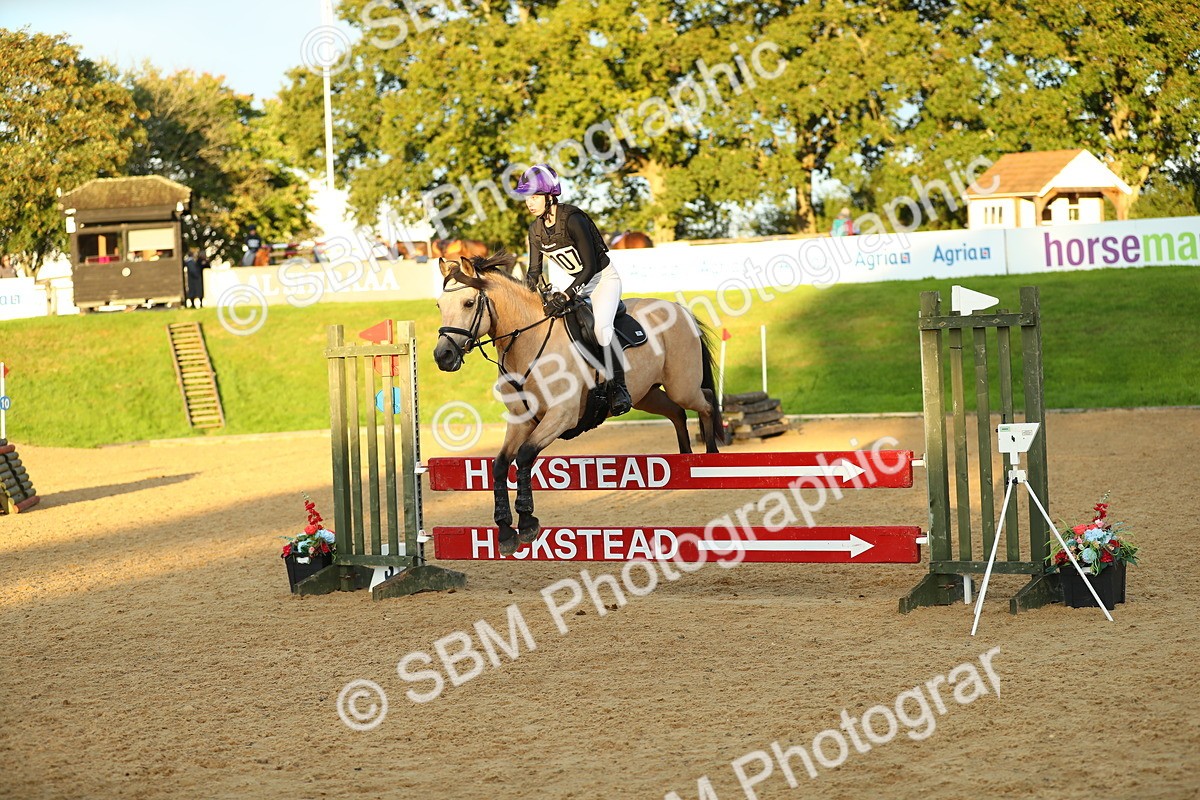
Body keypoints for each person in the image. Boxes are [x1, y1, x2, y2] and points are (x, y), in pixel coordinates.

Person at [517, 163, 632, 416]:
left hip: (602, 279)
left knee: (602, 327)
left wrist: (567, 294)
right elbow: (534, 271)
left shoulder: (573, 219)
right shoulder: (535, 230)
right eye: (527, 197)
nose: (529, 202)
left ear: (550, 196)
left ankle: (619, 388)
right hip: (578, 282)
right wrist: (524, 294)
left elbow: (590, 267)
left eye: (535, 196)